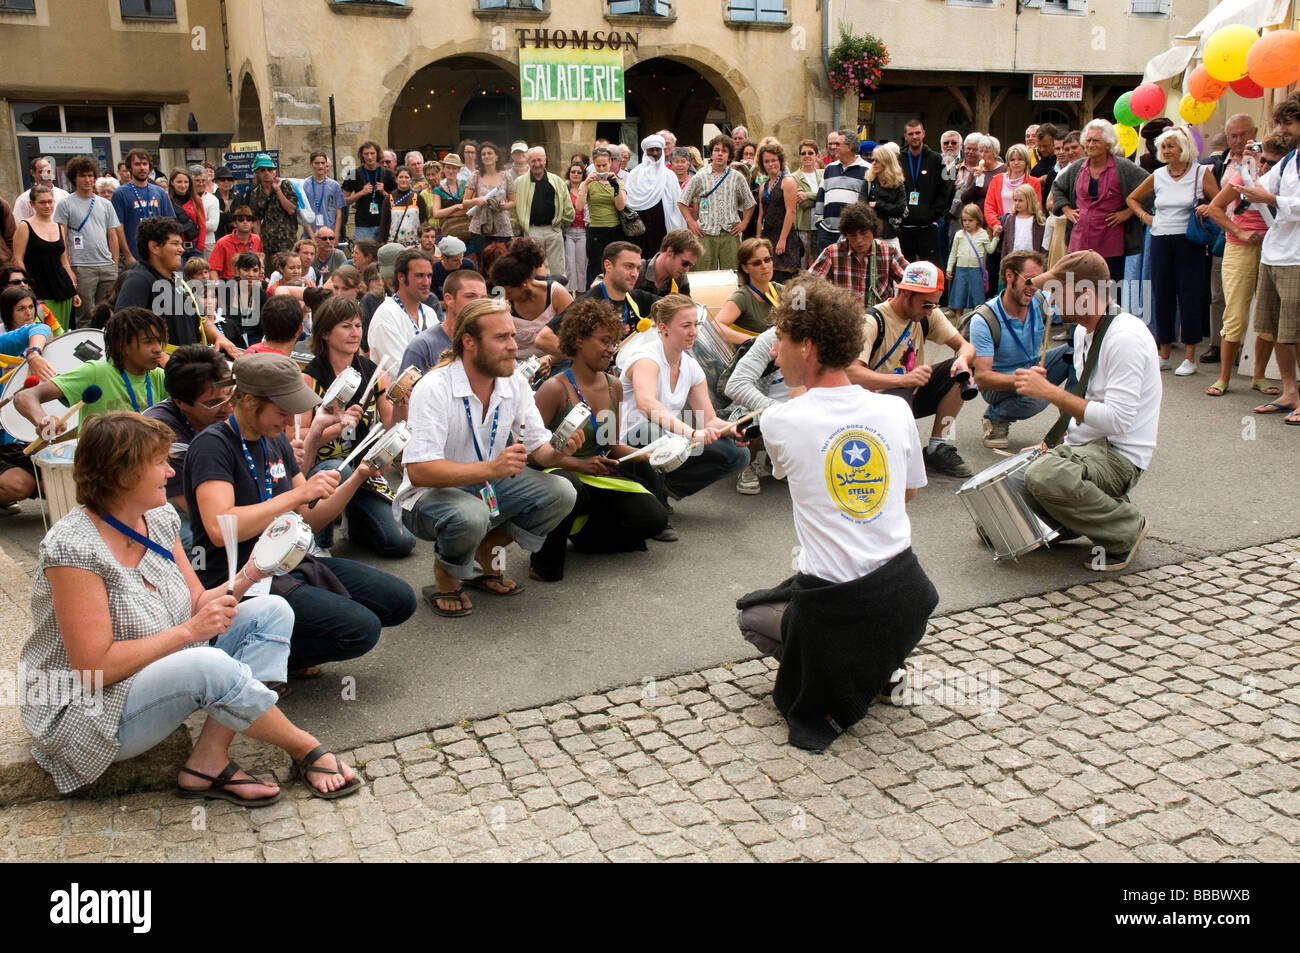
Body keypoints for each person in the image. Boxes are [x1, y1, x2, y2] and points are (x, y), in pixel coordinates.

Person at [22, 412, 360, 803]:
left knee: (273, 610)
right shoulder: (73, 549)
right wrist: (188, 632)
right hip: (86, 709)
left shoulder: (158, 518)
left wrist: (253, 571)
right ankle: (305, 748)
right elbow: (94, 668)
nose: (170, 472)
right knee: (206, 665)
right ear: (122, 473)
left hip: (153, 669)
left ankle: (208, 760)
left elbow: (198, 601)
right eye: (159, 462)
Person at [734, 276, 935, 752]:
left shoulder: (781, 420)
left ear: (806, 346)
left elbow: (789, 464)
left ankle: (843, 665)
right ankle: (881, 663)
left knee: (751, 617)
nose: (774, 353)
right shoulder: (894, 411)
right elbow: (905, 495)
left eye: (780, 341)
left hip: (844, 605)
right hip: (907, 600)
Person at [186, 351, 417, 673]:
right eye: (282, 411)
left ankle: (277, 643)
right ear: (250, 401)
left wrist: (358, 477)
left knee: (399, 600)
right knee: (360, 630)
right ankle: (251, 656)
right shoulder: (213, 446)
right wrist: (297, 494)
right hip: (239, 576)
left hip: (290, 562)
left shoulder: (274, 440)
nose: (289, 419)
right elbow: (219, 528)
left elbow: (310, 516)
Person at [393, 297, 582, 617]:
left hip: (485, 485)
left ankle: (485, 549)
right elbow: (420, 471)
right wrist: (491, 467)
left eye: (512, 335)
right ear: (469, 342)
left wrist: (560, 449)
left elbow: (540, 450)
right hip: (426, 497)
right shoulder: (434, 386)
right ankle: (445, 572)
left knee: (562, 492)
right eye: (501, 338)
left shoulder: (514, 381)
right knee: (472, 514)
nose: (514, 345)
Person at [1019, 250, 1160, 571]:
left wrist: (1050, 392)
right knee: (1002, 515)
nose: (1049, 299)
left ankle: (1126, 527)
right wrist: (1054, 445)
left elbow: (1117, 421)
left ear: (1084, 294)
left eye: (1056, 290)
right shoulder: (1083, 331)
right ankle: (1097, 509)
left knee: (1045, 476)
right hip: (1088, 448)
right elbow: (1087, 402)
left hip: (1120, 456)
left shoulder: (1125, 337)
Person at [529, 299, 669, 580]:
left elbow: (610, 444)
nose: (611, 349)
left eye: (614, 342)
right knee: (571, 488)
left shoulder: (612, 385)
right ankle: (542, 561)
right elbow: (532, 455)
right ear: (579, 339)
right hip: (559, 473)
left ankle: (583, 533)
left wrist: (651, 453)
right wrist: (576, 465)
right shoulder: (554, 389)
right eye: (605, 341)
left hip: (595, 474)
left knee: (654, 519)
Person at [618, 294, 749, 536]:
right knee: (651, 431)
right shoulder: (646, 358)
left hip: (670, 440)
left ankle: (663, 491)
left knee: (738, 453)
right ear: (664, 328)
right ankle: (654, 513)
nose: (694, 332)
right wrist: (691, 433)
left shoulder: (690, 366)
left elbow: (708, 419)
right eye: (686, 325)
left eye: (696, 325)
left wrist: (731, 428)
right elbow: (646, 403)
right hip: (629, 441)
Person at [298, 294, 415, 557]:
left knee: (401, 543)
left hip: (363, 469)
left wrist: (401, 407)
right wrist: (337, 427)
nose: (354, 333)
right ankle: (318, 545)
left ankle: (354, 518)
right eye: (345, 326)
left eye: (358, 325)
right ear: (325, 333)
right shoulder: (309, 378)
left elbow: (389, 426)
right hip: (322, 469)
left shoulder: (375, 373)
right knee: (333, 470)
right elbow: (299, 436)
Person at [846, 261, 976, 478]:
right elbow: (852, 373)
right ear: (906, 293)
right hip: (876, 402)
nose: (930, 311)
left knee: (962, 371)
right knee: (904, 464)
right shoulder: (872, 321)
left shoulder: (928, 314)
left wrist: (962, 360)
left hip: (909, 394)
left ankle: (937, 446)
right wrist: (904, 380)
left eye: (934, 305)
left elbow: (966, 346)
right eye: (926, 304)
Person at [1125, 127, 1219, 374]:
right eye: (1163, 147)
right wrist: (1146, 217)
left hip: (1189, 240)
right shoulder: (1157, 174)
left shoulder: (1201, 173)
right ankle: (1163, 352)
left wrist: (1206, 208)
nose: (1165, 151)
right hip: (1160, 238)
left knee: (1189, 294)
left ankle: (1190, 356)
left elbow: (1219, 201)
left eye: (1170, 146)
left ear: (1184, 147)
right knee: (1162, 294)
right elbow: (1132, 198)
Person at [1203, 133, 1285, 398]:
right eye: (1264, 161)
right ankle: (1224, 377)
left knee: (1268, 317)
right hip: (1240, 248)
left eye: (1273, 163)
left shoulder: (1288, 183)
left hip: (1274, 249)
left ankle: (1258, 375)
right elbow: (1215, 208)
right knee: (1236, 314)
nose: (1265, 168)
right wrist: (1238, 233)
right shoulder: (1244, 178)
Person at [1237, 92, 1300, 422]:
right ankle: (1290, 392)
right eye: (1279, 123)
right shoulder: (1290, 159)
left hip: (1297, 258)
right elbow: (1258, 188)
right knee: (1275, 329)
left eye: (1287, 123)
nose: (1282, 130)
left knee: (1297, 331)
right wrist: (1248, 164)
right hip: (1275, 254)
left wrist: (1271, 197)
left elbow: (1275, 198)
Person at [968, 250, 1072, 448]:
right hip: (999, 383)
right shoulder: (984, 320)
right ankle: (995, 416)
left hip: (1033, 366)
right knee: (1039, 397)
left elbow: (1075, 309)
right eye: (1030, 280)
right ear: (1010, 276)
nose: (1034, 288)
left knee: (1073, 351)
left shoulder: (1041, 300)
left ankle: (1069, 427)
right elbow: (982, 378)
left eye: (1039, 282)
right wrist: (1027, 379)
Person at [15, 307, 169, 437]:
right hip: (99, 465)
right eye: (148, 342)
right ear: (122, 345)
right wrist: (43, 420)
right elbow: (25, 396)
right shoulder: (97, 372)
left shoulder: (158, 376)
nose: (158, 349)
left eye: (159, 341)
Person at [143, 345, 232, 548]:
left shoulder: (224, 410)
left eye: (230, 394)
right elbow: (196, 511)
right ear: (181, 402)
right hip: (167, 516)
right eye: (215, 402)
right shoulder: (159, 434)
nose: (229, 407)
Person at [116, 217, 235, 355]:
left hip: (187, 364)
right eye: (175, 243)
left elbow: (201, 319)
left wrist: (219, 337)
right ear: (154, 247)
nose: (181, 250)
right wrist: (161, 360)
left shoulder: (180, 279)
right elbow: (124, 330)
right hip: (163, 370)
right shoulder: (138, 280)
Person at [1052, 119, 1150, 281]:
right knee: (1077, 292)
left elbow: (1150, 187)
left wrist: (1129, 212)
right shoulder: (1077, 167)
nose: (1090, 144)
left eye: (1096, 140)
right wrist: (1066, 209)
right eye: (1088, 140)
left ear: (1108, 144)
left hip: (1111, 244)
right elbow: (1058, 188)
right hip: (1079, 242)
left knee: (1108, 293)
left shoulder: (1124, 167)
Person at [537, 241, 657, 358]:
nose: (635, 274)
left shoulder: (638, 298)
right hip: (596, 376)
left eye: (638, 268)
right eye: (629, 266)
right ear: (608, 265)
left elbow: (673, 307)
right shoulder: (588, 303)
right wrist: (586, 358)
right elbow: (543, 338)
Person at [54, 156, 122, 329]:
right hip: (81, 265)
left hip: (106, 264)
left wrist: (114, 263)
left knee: (108, 311)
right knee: (84, 314)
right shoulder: (65, 204)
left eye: (91, 175)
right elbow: (62, 237)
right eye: (83, 176)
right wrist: (68, 267)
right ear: (74, 178)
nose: (87, 179)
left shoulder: (105, 204)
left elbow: (113, 235)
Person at [679, 135, 756, 271]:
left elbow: (750, 203)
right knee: (704, 273)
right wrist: (691, 222)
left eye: (724, 151)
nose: (720, 154)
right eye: (716, 150)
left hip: (730, 233)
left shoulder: (737, 177)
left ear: (729, 155)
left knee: (733, 273)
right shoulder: (700, 176)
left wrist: (744, 223)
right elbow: (682, 201)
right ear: (711, 153)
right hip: (705, 233)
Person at [809, 203, 909, 308]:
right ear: (846, 234)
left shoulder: (889, 252)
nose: (859, 240)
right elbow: (809, 284)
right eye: (853, 235)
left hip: (878, 319)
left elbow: (911, 281)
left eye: (864, 233)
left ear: (873, 230)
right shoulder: (832, 253)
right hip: (844, 318)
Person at [491, 237, 573, 361]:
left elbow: (574, 339)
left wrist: (549, 360)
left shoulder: (556, 294)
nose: (505, 296)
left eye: (509, 292)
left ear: (523, 283)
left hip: (558, 362)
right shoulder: (504, 304)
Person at [11, 184, 80, 327]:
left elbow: (64, 260)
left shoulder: (59, 226)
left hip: (63, 288)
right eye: (42, 202)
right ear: (32, 204)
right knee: (44, 331)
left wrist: (73, 290)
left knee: (66, 330)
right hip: (39, 288)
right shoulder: (25, 226)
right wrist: (26, 285)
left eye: (50, 201)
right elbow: (18, 259)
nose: (47, 206)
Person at [400, 269, 488, 377]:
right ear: (449, 299)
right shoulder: (423, 346)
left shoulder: (489, 341)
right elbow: (407, 393)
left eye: (483, 298)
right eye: (470, 296)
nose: (479, 303)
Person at [366, 247, 437, 374]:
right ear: (401, 277)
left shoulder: (429, 313)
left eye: (429, 276)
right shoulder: (386, 315)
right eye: (419, 276)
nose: (426, 282)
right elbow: (402, 373)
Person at [512, 147, 573, 280]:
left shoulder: (557, 181)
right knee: (535, 270)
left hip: (554, 230)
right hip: (532, 231)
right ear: (528, 162)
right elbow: (514, 209)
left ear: (545, 161)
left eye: (539, 160)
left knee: (558, 270)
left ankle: (558, 298)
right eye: (533, 161)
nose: (537, 164)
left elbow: (568, 207)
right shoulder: (519, 183)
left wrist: (560, 226)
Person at [623, 134, 687, 258]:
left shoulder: (669, 175)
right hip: (640, 225)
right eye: (651, 150)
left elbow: (677, 206)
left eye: (658, 149)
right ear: (645, 152)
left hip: (662, 224)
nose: (654, 153)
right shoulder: (635, 174)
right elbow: (628, 201)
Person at [897, 119, 952, 267]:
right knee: (903, 269)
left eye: (917, 133)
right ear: (905, 136)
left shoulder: (936, 159)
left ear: (923, 134)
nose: (914, 137)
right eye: (911, 134)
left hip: (927, 227)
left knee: (932, 269)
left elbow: (945, 188)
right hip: (904, 227)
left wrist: (934, 213)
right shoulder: (898, 159)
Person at [712, 237, 783, 347]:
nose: (764, 266)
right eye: (756, 263)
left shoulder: (781, 290)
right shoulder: (742, 297)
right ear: (745, 268)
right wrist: (756, 341)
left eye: (767, 260)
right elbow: (716, 327)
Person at [810, 129, 869, 254]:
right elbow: (821, 195)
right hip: (827, 232)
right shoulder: (830, 168)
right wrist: (819, 222)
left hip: (852, 233)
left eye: (838, 144)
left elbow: (868, 201)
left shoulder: (867, 169)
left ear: (849, 147)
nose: (834, 148)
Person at [575, 146, 627, 286]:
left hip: (615, 230)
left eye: (604, 165)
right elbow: (579, 206)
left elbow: (620, 206)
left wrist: (615, 185)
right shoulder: (589, 183)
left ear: (610, 163)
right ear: (593, 165)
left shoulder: (618, 182)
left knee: (615, 267)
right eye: (598, 166)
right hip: (596, 230)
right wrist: (586, 183)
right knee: (597, 269)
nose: (602, 169)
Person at [755, 140, 802, 281]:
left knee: (784, 278)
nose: (771, 164)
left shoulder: (788, 181)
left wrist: (782, 239)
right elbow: (761, 215)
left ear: (780, 161)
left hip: (784, 236)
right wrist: (758, 238)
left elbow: (791, 212)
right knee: (768, 276)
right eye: (767, 161)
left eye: (774, 160)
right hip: (768, 235)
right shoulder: (763, 186)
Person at [463, 141, 516, 259]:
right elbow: (465, 202)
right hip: (480, 229)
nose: (486, 156)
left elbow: (513, 201)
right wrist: (477, 200)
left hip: (502, 227)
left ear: (497, 156)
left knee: (502, 263)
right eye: (483, 154)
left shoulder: (506, 176)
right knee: (483, 262)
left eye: (489, 153)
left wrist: (503, 206)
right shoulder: (475, 176)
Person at [246, 154, 300, 265]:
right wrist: (258, 242)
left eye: (270, 169)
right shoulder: (255, 192)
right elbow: (256, 219)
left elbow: (291, 209)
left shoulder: (285, 185)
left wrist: (278, 191)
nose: (266, 173)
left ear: (274, 171)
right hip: (267, 243)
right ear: (257, 172)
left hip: (286, 241)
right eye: (262, 170)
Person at [945, 203, 997, 319]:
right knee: (960, 293)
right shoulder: (959, 234)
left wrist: (996, 237)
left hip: (976, 269)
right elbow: (953, 253)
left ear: (977, 220)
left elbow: (990, 249)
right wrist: (949, 268)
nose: (967, 223)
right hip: (960, 268)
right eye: (964, 220)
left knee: (977, 295)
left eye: (970, 220)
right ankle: (959, 318)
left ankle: (977, 317)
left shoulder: (983, 234)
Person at [343, 141, 398, 242]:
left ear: (377, 154)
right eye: (366, 154)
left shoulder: (388, 174)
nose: (369, 157)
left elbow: (399, 200)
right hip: (363, 225)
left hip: (385, 223)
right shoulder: (353, 173)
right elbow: (344, 200)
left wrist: (384, 193)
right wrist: (361, 193)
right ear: (361, 155)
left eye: (372, 153)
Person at [983, 144, 1043, 227]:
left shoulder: (1034, 182)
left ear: (1026, 162)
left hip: (1024, 227)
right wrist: (996, 224)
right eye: (1012, 160)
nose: (1016, 163)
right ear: (1007, 163)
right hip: (1000, 227)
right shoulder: (996, 180)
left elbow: (1036, 209)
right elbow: (989, 207)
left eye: (1020, 159)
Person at [861, 141, 907, 241]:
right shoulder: (868, 182)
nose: (874, 163)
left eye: (878, 160)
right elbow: (862, 207)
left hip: (891, 235)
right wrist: (888, 208)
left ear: (887, 162)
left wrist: (878, 205)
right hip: (871, 235)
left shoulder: (897, 183)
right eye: (873, 160)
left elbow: (900, 208)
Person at [635, 228, 700, 297]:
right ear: (670, 252)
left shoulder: (680, 278)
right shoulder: (638, 271)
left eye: (690, 265)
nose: (687, 270)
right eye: (685, 263)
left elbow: (687, 306)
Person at [791, 139, 823, 269]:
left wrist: (808, 195)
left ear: (816, 155)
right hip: (802, 228)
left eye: (810, 152)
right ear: (800, 156)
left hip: (820, 226)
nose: (807, 156)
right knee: (801, 264)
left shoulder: (823, 174)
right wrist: (819, 195)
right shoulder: (794, 177)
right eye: (803, 153)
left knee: (818, 265)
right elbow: (802, 203)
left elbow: (826, 196)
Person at [208, 205, 263, 279]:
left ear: (253, 223)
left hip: (251, 282)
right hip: (228, 284)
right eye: (241, 219)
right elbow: (213, 269)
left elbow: (260, 266)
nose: (245, 222)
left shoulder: (257, 240)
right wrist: (219, 288)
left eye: (249, 219)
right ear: (234, 223)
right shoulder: (222, 242)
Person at [430, 153, 472, 247]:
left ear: (458, 170)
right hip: (449, 233)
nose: (451, 171)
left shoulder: (465, 185)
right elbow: (436, 214)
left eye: (454, 168)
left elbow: (469, 210)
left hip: (468, 230)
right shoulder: (438, 190)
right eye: (448, 168)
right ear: (443, 169)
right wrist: (457, 207)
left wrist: (446, 215)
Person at [996, 184, 1048, 258]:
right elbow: (1006, 243)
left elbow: (1043, 244)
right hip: (1014, 258)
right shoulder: (1010, 219)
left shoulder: (1038, 220)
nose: (1017, 203)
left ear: (1030, 200)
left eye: (1020, 200)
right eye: (1015, 200)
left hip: (1033, 259)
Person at [302, 151, 344, 240]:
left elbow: (339, 213)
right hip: (310, 235)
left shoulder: (335, 185)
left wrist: (335, 236)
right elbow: (303, 213)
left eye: (322, 163)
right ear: (311, 164)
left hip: (329, 235)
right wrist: (312, 236)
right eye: (317, 163)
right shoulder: (304, 185)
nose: (320, 166)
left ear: (326, 164)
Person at [381, 166, 427, 247]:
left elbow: (423, 221)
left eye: (406, 177)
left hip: (414, 243)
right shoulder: (389, 199)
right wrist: (382, 242)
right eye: (401, 177)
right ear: (396, 179)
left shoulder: (418, 198)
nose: (403, 180)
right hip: (394, 243)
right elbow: (384, 222)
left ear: (411, 179)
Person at [167, 168, 206, 260]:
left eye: (186, 182)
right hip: (175, 247)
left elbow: (202, 224)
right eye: (179, 182)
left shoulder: (196, 200)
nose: (183, 185)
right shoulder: (167, 200)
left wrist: (200, 246)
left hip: (194, 246)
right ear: (172, 182)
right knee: (179, 274)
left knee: (197, 274)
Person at [564, 161, 588, 289]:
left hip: (583, 231)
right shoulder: (563, 188)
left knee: (581, 266)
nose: (576, 174)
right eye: (573, 171)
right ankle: (567, 297)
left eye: (579, 172)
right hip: (568, 231)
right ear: (569, 173)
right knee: (569, 266)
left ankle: (580, 297)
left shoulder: (586, 188)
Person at [430, 235, 477, 299]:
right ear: (443, 257)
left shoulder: (468, 265)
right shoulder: (434, 270)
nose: (460, 263)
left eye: (462, 258)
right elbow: (433, 301)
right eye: (455, 260)